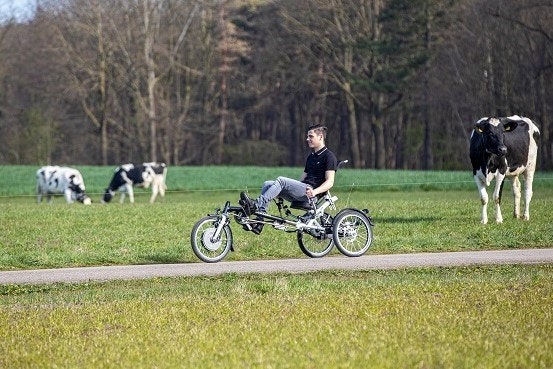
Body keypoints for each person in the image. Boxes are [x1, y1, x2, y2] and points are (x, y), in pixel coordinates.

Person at [239, 124, 338, 234]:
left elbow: (330, 182)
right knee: (267, 184)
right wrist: (281, 191)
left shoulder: (329, 156)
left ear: (320, 137)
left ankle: (255, 205)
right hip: (303, 191)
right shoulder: (311, 157)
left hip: (312, 194)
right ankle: (260, 220)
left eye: (311, 136)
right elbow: (302, 180)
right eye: (307, 136)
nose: (307, 139)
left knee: (281, 180)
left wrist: (315, 192)